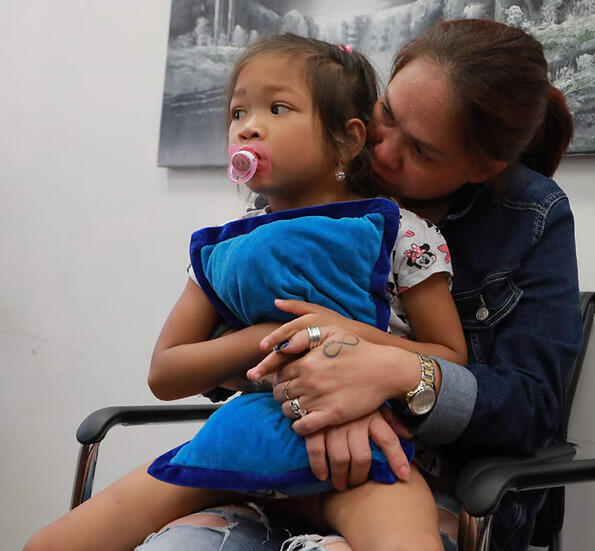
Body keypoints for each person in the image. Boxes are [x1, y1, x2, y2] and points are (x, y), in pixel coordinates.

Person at [113, 18, 583, 551]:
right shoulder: (304, 190)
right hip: (270, 457)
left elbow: (529, 406)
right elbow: (206, 355)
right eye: (387, 117)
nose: (381, 154)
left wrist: (391, 369)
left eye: (422, 151)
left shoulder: (526, 216)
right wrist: (293, 358)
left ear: (481, 166)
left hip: (426, 482)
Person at [25, 34, 466, 551]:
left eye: (278, 108)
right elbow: (166, 373)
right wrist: (262, 338)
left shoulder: (405, 234)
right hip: (242, 449)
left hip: (358, 455)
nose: (248, 126)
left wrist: (352, 341)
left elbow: (449, 357)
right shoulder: (228, 250)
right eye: (238, 112)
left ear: (347, 139)